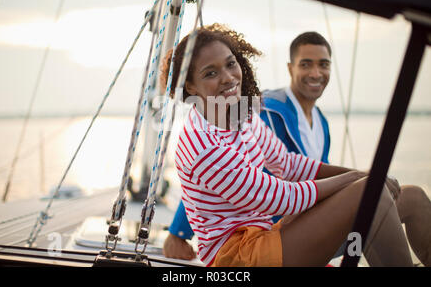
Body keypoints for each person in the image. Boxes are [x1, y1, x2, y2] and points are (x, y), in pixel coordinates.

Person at [159, 23, 414, 267]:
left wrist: (366, 176)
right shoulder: (203, 145)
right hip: (238, 257)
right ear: (190, 85)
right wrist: (359, 178)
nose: (228, 77)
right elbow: (283, 199)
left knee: (413, 199)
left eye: (230, 63)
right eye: (210, 73)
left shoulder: (242, 115)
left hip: (267, 233)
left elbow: (288, 164)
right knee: (371, 192)